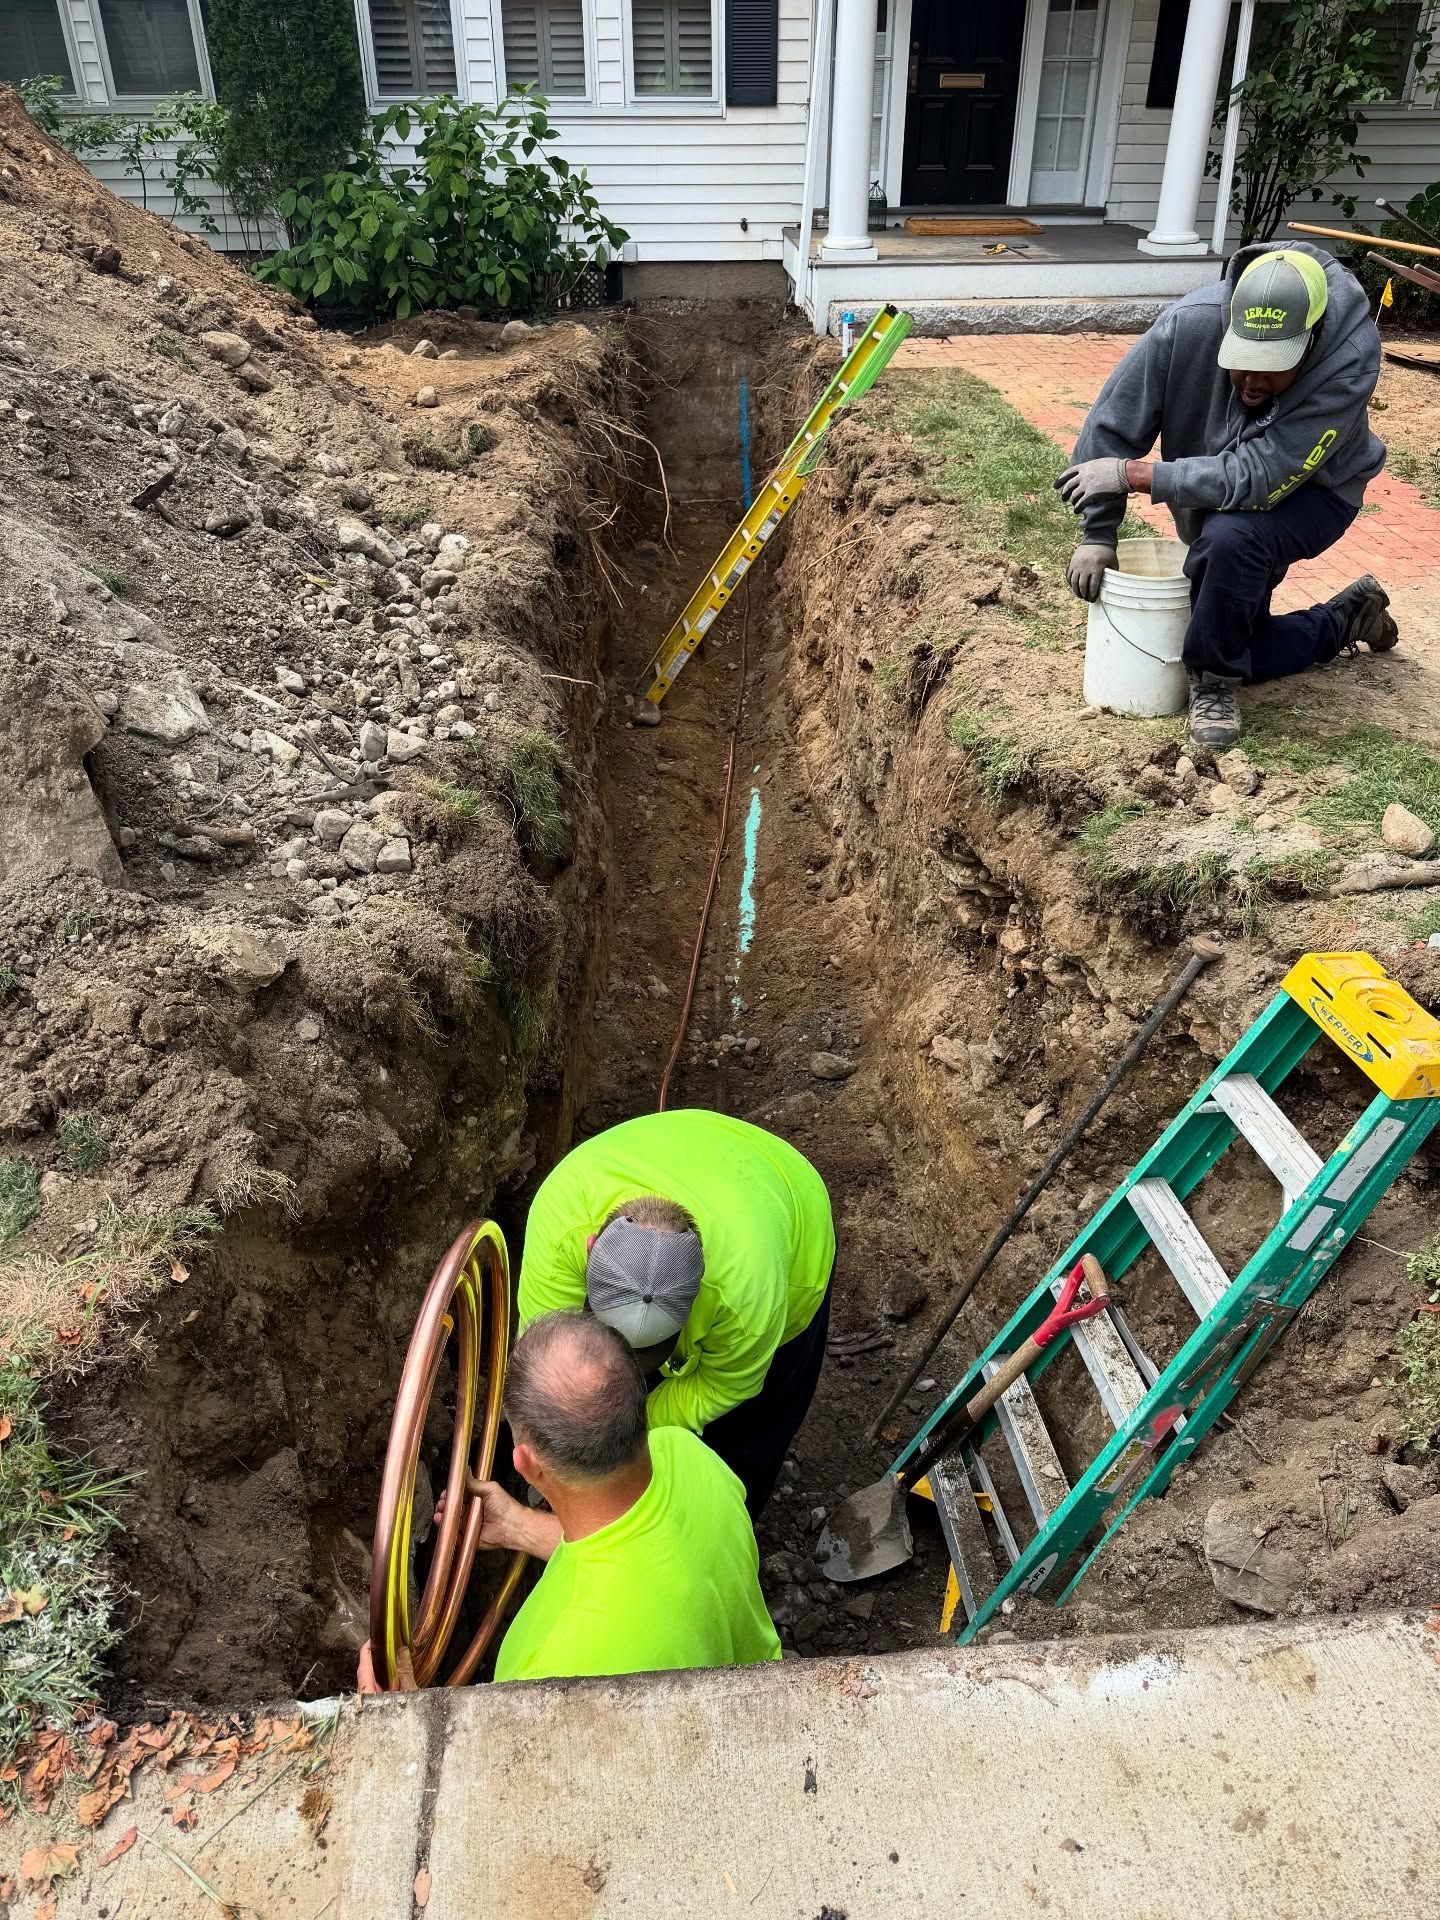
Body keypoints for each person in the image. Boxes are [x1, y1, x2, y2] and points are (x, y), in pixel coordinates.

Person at [1055, 243, 1398, 751]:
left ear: (1311, 341)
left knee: (1230, 541)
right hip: (1223, 488)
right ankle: (1346, 617)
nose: (1253, 380)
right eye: (1242, 362)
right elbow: (1114, 421)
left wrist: (1135, 475)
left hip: (1317, 493)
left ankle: (1213, 682)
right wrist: (1098, 534)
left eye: (1272, 366)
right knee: (1244, 639)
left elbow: (1259, 476)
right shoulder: (1189, 326)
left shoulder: (1346, 363)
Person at [517, 1109, 835, 1517]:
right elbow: (542, 1370)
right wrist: (557, 1461)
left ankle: (722, 1525)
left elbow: (721, 1386)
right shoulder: (561, 1225)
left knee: (749, 1436)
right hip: (686, 1148)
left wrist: (625, 1443)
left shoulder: (749, 1295)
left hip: (788, 1201)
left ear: (701, 1281)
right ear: (591, 1247)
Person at [476, 1311, 781, 1683]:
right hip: (761, 1687)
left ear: (527, 1464)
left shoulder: (546, 1662)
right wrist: (513, 1526)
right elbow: (634, 1552)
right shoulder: (686, 1452)